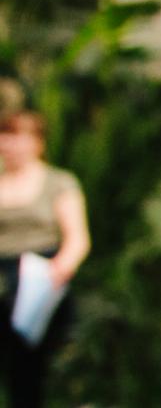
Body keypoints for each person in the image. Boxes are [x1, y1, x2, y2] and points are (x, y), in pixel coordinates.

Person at [0, 109, 91, 408]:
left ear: (37, 143)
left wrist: (59, 270)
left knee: (29, 368)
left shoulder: (58, 183)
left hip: (38, 281)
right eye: (5, 137)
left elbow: (77, 238)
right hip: (2, 276)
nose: (10, 145)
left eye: (18, 137)